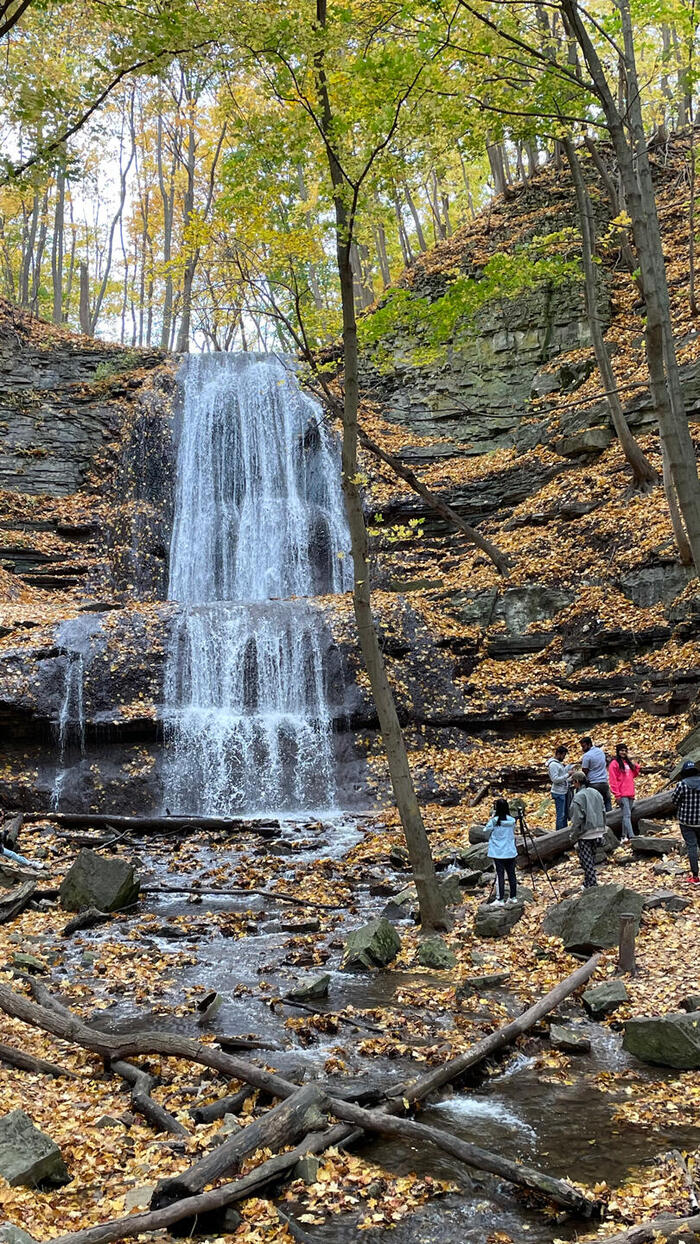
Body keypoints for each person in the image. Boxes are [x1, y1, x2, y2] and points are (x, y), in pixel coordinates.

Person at [569, 769, 606, 888]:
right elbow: (603, 810)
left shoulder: (579, 797)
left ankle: (592, 884)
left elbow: (577, 819)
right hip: (598, 829)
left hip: (586, 832)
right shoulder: (595, 792)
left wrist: (573, 835)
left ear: (577, 782)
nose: (573, 785)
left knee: (586, 860)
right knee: (592, 858)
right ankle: (587, 883)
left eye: (573, 782)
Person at [483, 797, 518, 907]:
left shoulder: (494, 821)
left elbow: (486, 830)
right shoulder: (512, 821)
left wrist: (493, 816)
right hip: (510, 851)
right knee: (512, 875)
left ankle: (500, 898)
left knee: (500, 875)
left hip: (498, 853)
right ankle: (513, 897)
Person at [672, 759, 700, 886]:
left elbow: (675, 800)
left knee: (692, 847)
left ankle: (695, 876)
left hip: (686, 822)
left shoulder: (682, 785)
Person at [608, 743, 640, 841]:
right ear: (618, 751)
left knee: (626, 815)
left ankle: (623, 835)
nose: (624, 752)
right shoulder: (614, 764)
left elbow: (634, 774)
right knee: (627, 815)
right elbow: (613, 780)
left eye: (625, 751)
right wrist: (617, 795)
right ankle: (632, 836)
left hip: (630, 792)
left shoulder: (627, 763)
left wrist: (636, 766)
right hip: (622, 794)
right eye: (622, 750)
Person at [580, 736, 611, 811]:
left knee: (594, 806)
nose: (582, 749)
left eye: (584, 746)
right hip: (604, 782)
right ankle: (610, 819)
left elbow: (584, 771)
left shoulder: (587, 756)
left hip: (593, 783)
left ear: (589, 744)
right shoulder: (600, 751)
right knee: (607, 803)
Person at [548, 744, 572, 830]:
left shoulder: (558, 764)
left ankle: (564, 830)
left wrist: (569, 778)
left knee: (565, 813)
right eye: (563, 755)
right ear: (558, 754)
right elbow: (555, 779)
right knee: (560, 815)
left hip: (563, 791)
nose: (564, 758)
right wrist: (567, 775)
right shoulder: (553, 765)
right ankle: (559, 832)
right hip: (558, 792)